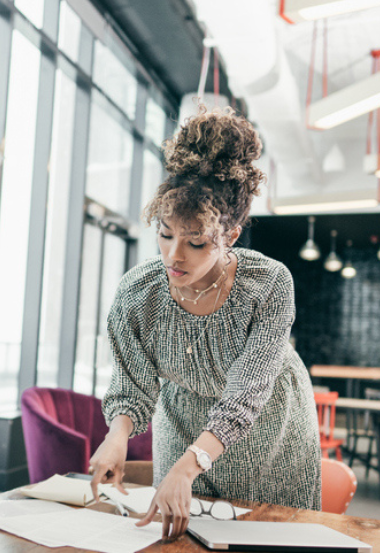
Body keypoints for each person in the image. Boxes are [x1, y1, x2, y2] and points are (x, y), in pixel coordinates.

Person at [88, 106, 321, 540]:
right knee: (177, 537)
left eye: (196, 242)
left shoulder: (268, 284)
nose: (175, 255)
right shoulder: (137, 293)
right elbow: (130, 385)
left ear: (230, 236)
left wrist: (194, 461)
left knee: (272, 538)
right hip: (181, 421)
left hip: (269, 425)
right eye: (165, 233)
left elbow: (246, 395)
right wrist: (117, 436)